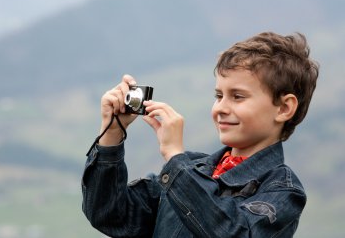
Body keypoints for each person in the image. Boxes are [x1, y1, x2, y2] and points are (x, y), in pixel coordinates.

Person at [81, 32, 319, 237]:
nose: (221, 108)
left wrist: (175, 157)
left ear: (284, 108)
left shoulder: (282, 191)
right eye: (218, 96)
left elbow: (233, 232)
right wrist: (111, 135)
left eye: (238, 96)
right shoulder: (194, 168)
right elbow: (108, 215)